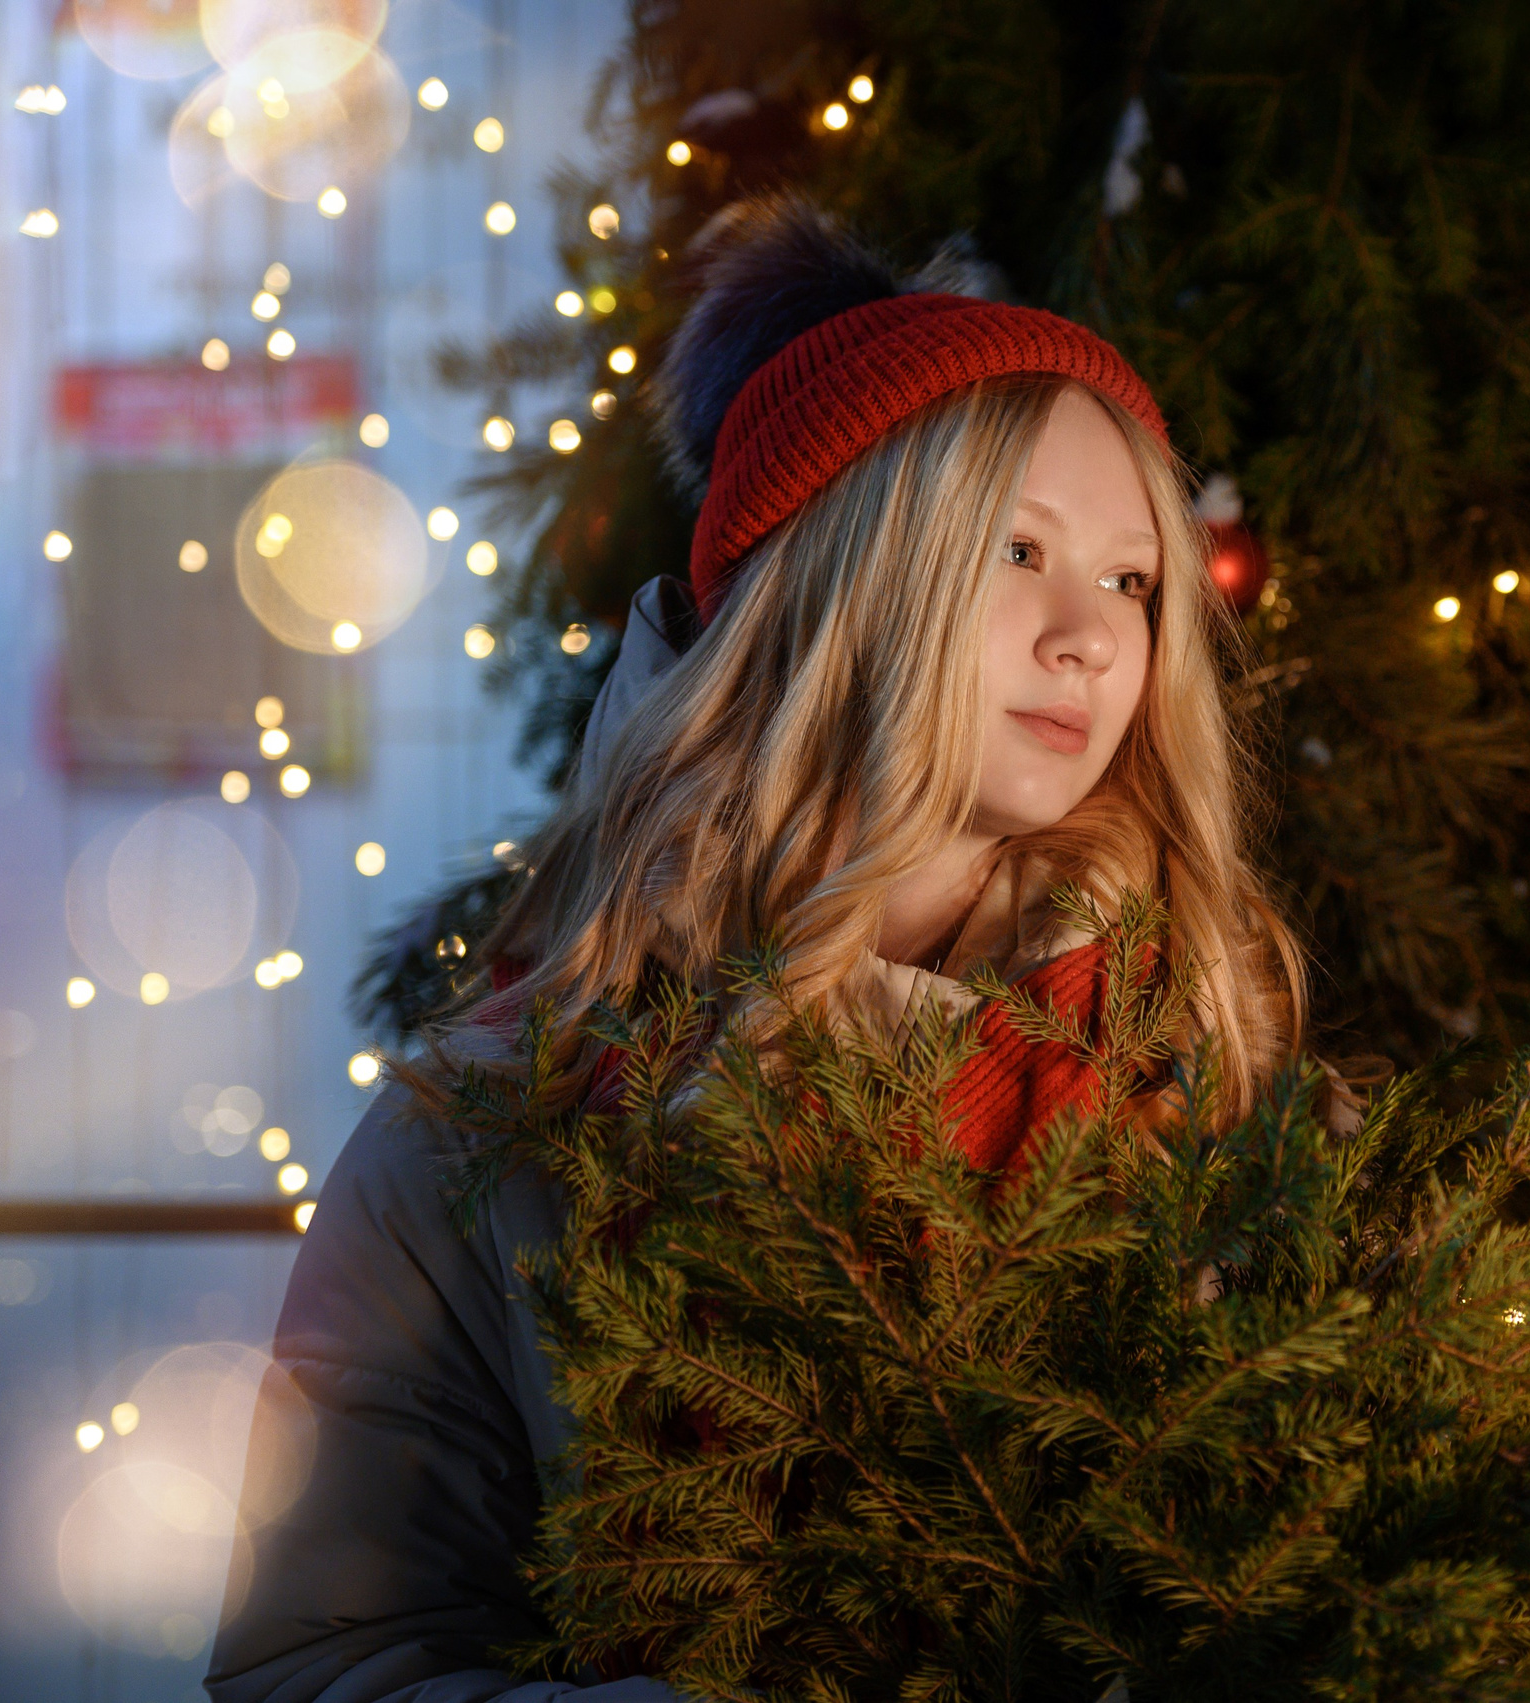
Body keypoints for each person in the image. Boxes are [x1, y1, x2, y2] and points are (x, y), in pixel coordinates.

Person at [206, 195, 1305, 1703]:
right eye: (1018, 548)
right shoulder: (482, 1140)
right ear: (840, 581)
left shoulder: (1218, 1092)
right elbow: (320, 1664)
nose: (1092, 637)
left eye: (1130, 578)